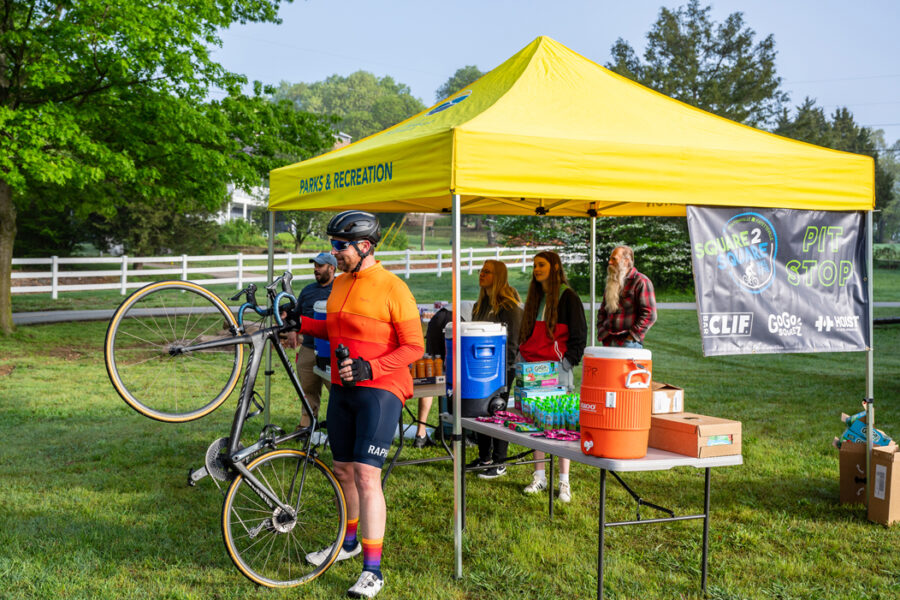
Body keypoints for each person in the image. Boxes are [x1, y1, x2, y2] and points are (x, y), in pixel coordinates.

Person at [290, 210, 424, 599]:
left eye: (340, 246)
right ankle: (348, 544)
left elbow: (415, 346)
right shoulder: (342, 282)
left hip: (380, 392)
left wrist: (372, 366)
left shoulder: (393, 288)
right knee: (343, 471)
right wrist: (298, 321)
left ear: (365, 247)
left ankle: (373, 570)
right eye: (332, 245)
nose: (334, 253)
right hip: (342, 387)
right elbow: (332, 327)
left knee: (367, 476)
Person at [518, 251, 586, 503]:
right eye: (535, 265)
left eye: (542, 265)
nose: (537, 269)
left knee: (560, 426)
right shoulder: (536, 298)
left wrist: (565, 364)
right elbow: (527, 334)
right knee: (538, 424)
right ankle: (540, 477)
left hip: (557, 372)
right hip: (533, 372)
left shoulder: (568, 297)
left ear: (555, 267)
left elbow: (579, 336)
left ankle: (564, 482)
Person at [466, 260, 523, 479]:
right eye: (481, 271)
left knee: (497, 412)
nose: (481, 274)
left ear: (498, 276)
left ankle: (500, 461)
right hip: (479, 369)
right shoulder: (479, 305)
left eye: (487, 272)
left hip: (502, 370)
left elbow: (514, 341)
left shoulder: (508, 306)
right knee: (480, 412)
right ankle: (484, 458)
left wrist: (503, 370)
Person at [282, 252, 335, 428]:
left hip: (331, 349)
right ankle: (306, 426)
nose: (316, 269)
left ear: (332, 268)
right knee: (307, 389)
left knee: (337, 391)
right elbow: (296, 315)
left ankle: (341, 425)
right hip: (308, 348)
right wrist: (291, 331)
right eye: (315, 266)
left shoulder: (340, 289)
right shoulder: (308, 290)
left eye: (320, 266)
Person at [596, 245, 657, 348]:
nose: (610, 262)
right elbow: (602, 311)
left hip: (629, 344)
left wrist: (632, 336)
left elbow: (650, 314)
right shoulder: (612, 282)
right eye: (610, 259)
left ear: (626, 261)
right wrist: (602, 330)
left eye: (614, 259)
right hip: (608, 341)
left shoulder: (641, 281)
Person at [413, 305, 452, 448]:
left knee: (431, 377)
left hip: (436, 319)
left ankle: (420, 434)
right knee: (456, 377)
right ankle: (455, 434)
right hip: (455, 320)